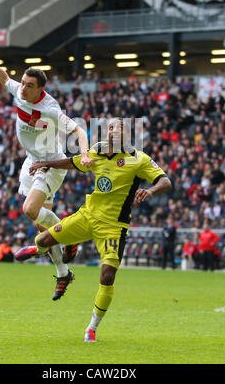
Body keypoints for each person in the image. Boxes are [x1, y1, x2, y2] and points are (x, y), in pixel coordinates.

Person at [15, 118, 172, 342]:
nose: (113, 131)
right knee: (45, 238)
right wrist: (46, 164)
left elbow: (165, 181)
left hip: (113, 227)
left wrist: (151, 191)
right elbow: (74, 162)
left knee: (108, 275)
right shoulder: (96, 151)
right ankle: (40, 249)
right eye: (110, 127)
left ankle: (92, 327)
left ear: (127, 135)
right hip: (87, 216)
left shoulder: (139, 159)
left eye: (119, 128)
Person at [0, 36, 93, 300]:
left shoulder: (50, 108)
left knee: (30, 210)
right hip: (31, 162)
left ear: (40, 89)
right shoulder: (20, 91)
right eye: (24, 83)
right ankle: (64, 273)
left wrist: (84, 154)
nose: (23, 89)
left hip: (50, 163)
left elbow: (78, 129)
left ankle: (69, 236)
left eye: (29, 86)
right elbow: (4, 77)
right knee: (43, 228)